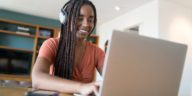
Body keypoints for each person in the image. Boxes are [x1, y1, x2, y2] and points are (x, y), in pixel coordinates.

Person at [31, 0, 105, 95]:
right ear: (66, 19)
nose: (86, 24)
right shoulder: (51, 44)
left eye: (90, 20)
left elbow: (112, 79)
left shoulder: (97, 52)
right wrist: (81, 87)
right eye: (79, 18)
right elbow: (37, 79)